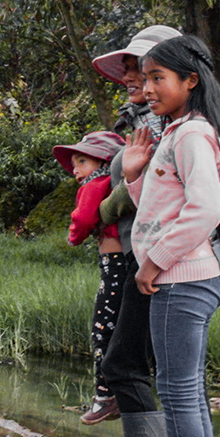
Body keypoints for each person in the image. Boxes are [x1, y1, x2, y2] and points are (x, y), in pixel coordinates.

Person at [117, 34, 220, 437]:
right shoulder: (180, 132)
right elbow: (161, 209)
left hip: (184, 279)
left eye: (158, 78)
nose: (148, 88)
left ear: (190, 81)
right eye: (146, 78)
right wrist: (135, 176)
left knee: (178, 393)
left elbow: (205, 210)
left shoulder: (193, 133)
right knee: (186, 391)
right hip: (186, 277)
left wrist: (153, 263)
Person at [82, 25, 179, 437]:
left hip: (162, 261)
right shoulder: (150, 123)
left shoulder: (180, 129)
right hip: (147, 255)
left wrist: (108, 204)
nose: (133, 80)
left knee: (131, 364)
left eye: (143, 71)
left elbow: (168, 193)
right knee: (153, 368)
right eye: (129, 73)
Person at [53, 130, 129, 417]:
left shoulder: (96, 184)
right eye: (74, 164)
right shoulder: (116, 185)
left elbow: (83, 218)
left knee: (102, 327)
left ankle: (105, 393)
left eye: (82, 161)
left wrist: (74, 237)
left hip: (114, 263)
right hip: (126, 261)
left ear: (103, 162)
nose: (75, 170)